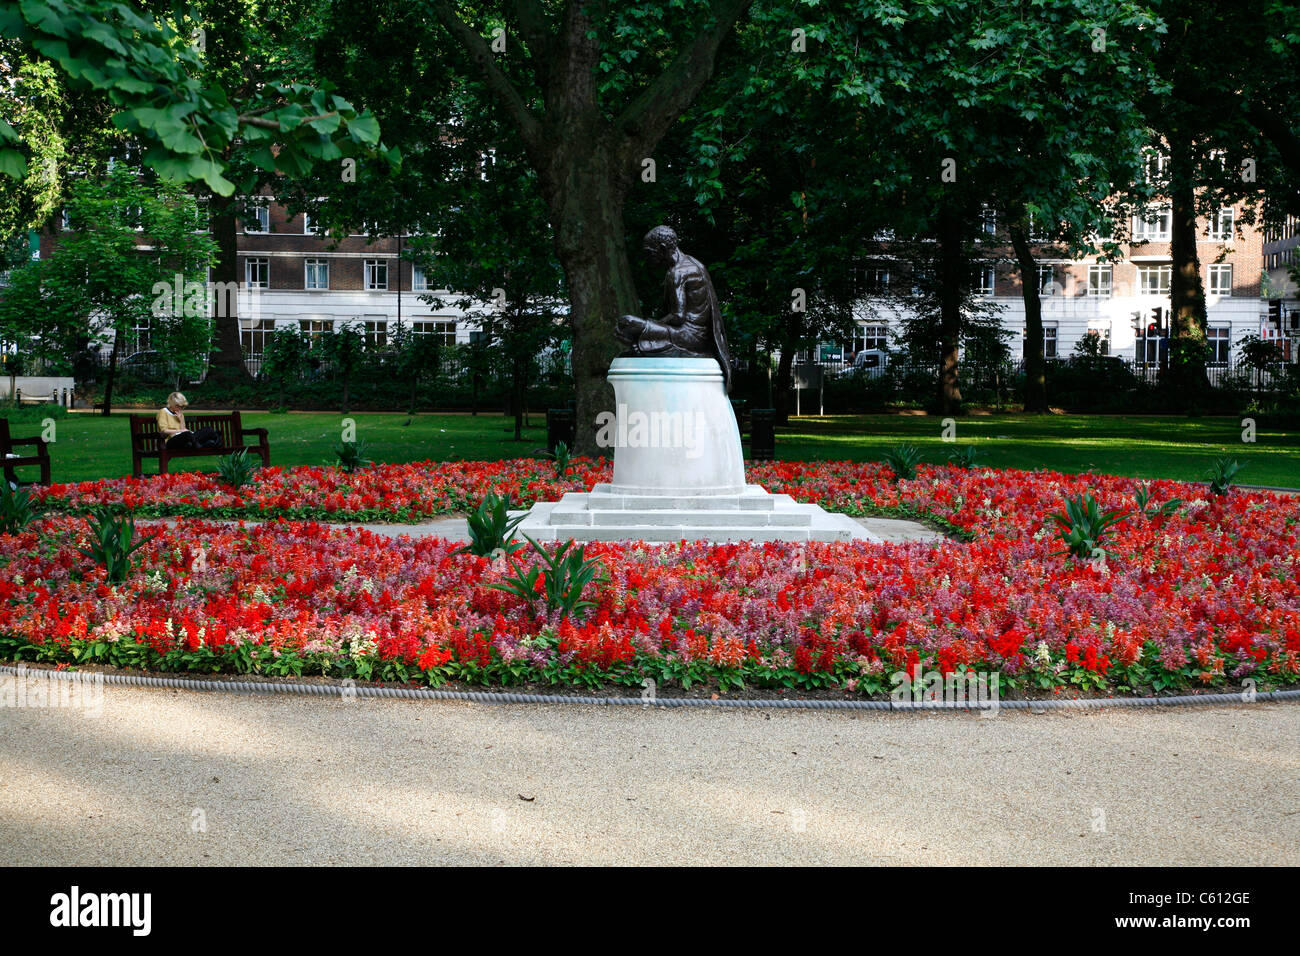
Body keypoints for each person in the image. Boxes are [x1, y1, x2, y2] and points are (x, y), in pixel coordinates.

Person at [156, 392, 220, 450]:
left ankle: (213, 442)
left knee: (208, 429)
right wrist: (181, 431)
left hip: (185, 439)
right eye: (178, 406)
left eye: (182, 407)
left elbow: (183, 429)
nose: (180, 408)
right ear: (172, 404)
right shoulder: (163, 412)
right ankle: (203, 444)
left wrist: (181, 420)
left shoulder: (180, 414)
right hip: (170, 441)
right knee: (187, 434)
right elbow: (164, 431)